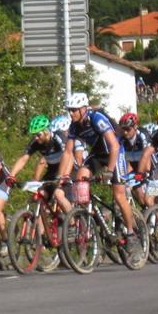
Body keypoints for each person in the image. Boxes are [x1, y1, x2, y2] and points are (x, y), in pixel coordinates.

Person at [56, 91, 138, 254]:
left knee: (119, 195)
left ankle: (131, 233)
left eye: (74, 110)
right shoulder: (74, 126)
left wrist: (109, 171)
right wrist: (62, 176)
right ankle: (91, 215)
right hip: (98, 154)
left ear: (83, 109)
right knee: (80, 179)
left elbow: (114, 145)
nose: (71, 113)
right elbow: (68, 152)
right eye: (69, 110)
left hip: (114, 153)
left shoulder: (96, 118)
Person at [7, 114, 72, 214]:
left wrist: (63, 176)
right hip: (53, 171)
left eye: (38, 135)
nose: (36, 138)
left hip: (68, 168)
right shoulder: (36, 142)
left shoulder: (58, 137)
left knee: (58, 195)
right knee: (40, 195)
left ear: (46, 131)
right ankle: (40, 224)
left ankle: (72, 222)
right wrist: (12, 175)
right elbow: (24, 158)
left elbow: (69, 156)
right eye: (34, 135)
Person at [119, 111, 155, 208]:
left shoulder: (142, 136)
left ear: (135, 127)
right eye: (123, 129)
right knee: (138, 194)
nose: (125, 132)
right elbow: (123, 161)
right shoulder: (122, 140)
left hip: (152, 168)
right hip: (136, 169)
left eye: (127, 129)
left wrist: (145, 173)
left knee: (149, 200)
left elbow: (147, 156)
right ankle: (145, 213)